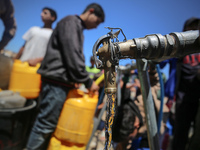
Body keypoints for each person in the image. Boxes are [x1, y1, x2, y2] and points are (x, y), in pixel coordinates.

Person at [26, 3, 105, 150]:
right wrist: (88, 81)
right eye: (97, 22)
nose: (96, 26)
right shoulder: (70, 23)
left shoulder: (76, 27)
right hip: (56, 82)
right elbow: (72, 55)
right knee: (45, 124)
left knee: (49, 122)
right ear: (91, 12)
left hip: (60, 82)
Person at [172, 17, 200, 150]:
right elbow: (160, 60)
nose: (195, 29)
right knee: (180, 134)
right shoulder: (179, 50)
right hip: (183, 97)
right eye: (192, 27)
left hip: (198, 96)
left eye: (197, 27)